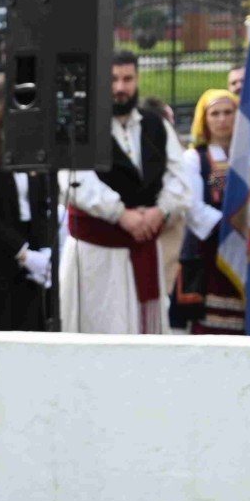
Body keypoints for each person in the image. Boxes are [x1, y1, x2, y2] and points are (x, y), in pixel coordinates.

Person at [58, 49, 190, 335]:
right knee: (99, 332)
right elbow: (74, 180)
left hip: (144, 247)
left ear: (137, 79)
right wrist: (120, 214)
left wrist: (160, 210)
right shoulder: (81, 125)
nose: (120, 87)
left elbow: (180, 177)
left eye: (127, 79)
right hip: (96, 256)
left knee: (143, 338)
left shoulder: (156, 124)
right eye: (114, 79)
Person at [0, 74, 55, 333]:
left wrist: (46, 248)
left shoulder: (33, 147)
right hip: (0, 257)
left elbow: (43, 201)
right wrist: (22, 253)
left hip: (35, 254)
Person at [177, 89, 250, 335]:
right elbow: (191, 204)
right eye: (215, 114)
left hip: (247, 246)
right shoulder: (195, 158)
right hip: (208, 249)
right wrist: (229, 226)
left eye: (228, 112)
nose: (222, 119)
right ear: (205, 119)